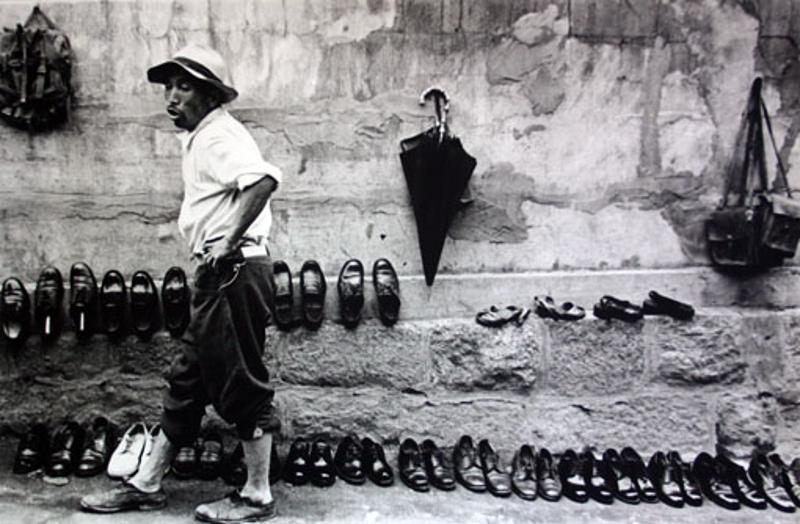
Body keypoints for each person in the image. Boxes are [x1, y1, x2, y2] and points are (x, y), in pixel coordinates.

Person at [80, 43, 283, 523]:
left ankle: (257, 495)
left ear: (210, 94)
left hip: (234, 272)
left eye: (184, 86)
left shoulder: (217, 136)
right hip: (219, 275)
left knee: (241, 380)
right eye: (168, 87)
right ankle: (147, 482)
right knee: (188, 381)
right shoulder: (200, 137)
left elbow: (263, 181)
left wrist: (226, 241)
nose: (171, 97)